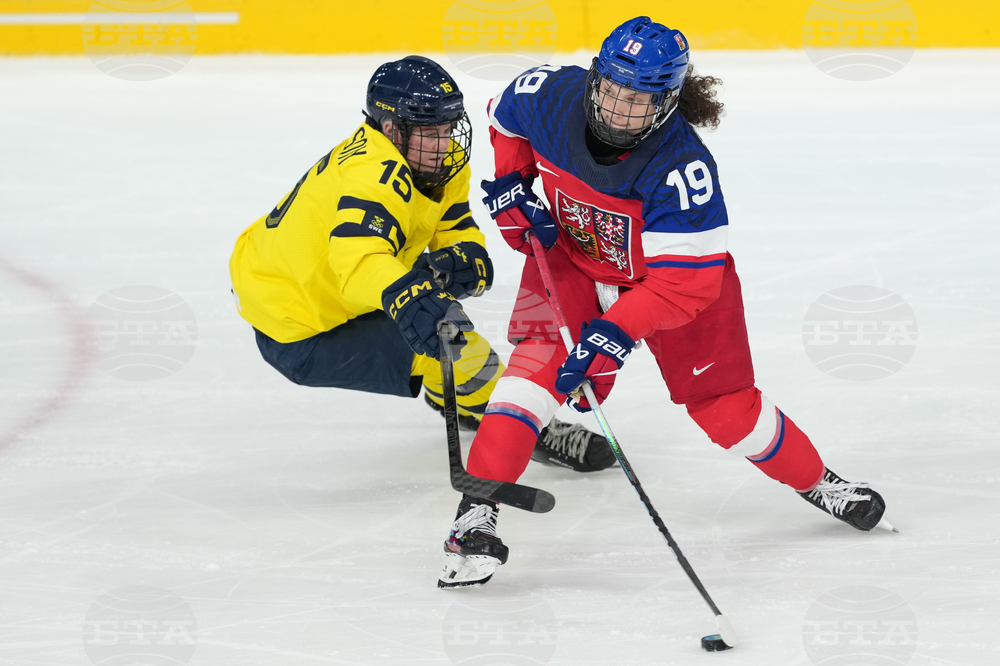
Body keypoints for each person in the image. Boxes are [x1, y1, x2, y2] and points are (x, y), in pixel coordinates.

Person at [437, 18, 892, 589]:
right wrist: (511, 184)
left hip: (673, 286)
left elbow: (685, 286)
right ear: (596, 77)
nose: (618, 108)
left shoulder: (682, 168)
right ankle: (475, 516)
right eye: (612, 89)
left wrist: (612, 333)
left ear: (669, 102)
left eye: (638, 99)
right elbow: (503, 116)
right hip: (574, 262)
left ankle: (818, 481)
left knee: (728, 412)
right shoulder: (551, 95)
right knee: (526, 384)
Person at [228, 55, 614, 470]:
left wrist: (463, 255)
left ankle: (461, 399)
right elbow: (357, 262)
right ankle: (524, 424)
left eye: (448, 129)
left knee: (433, 317)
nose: (445, 143)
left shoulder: (436, 162)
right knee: (454, 342)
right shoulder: (372, 175)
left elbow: (453, 224)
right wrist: (408, 294)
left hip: (315, 286)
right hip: (296, 324)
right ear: (392, 129)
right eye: (430, 133)